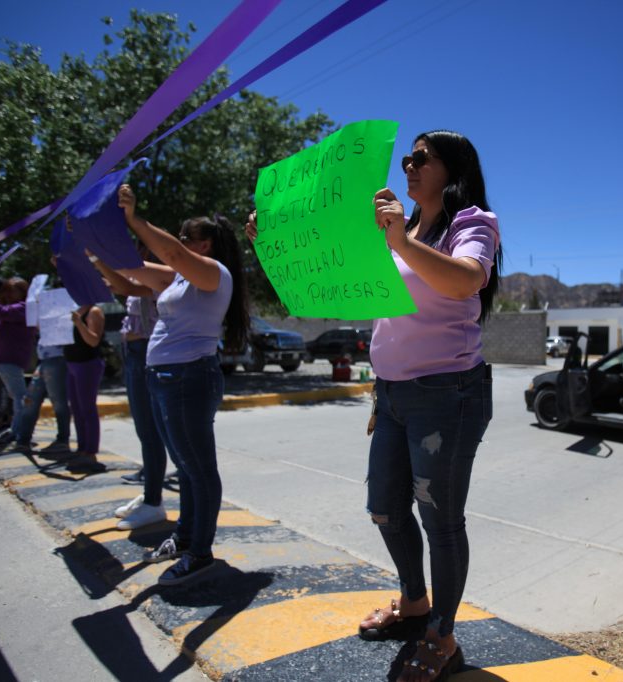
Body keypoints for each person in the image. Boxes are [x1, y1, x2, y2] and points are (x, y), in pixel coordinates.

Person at [247, 130, 500, 682]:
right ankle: (414, 603)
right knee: (385, 508)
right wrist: (275, 238)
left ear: (451, 170)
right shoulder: (398, 230)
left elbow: (465, 282)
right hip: (391, 395)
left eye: (421, 159)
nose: (408, 166)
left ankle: (443, 635)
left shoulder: (470, 223)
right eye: (406, 158)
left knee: (441, 521)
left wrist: (401, 243)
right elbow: (332, 276)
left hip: (447, 395)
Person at [116, 184, 249, 586]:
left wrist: (134, 219)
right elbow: (127, 273)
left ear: (205, 244)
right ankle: (186, 536)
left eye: (187, 235)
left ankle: (200, 552)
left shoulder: (213, 272)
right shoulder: (176, 279)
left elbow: (171, 251)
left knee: (199, 469)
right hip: (164, 377)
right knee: (187, 468)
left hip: (188, 377)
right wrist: (95, 238)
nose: (180, 240)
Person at [89, 251, 175, 530]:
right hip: (135, 353)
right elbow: (116, 284)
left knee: (153, 433)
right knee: (145, 431)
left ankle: (154, 502)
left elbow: (126, 285)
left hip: (148, 353)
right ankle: (151, 494)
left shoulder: (164, 276)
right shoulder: (143, 278)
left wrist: (95, 256)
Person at [0, 277, 36, 446]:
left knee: (19, 397)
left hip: (11, 359)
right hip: (7, 359)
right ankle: (16, 430)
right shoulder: (19, 308)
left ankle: (19, 432)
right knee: (16, 396)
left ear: (23, 292)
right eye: (6, 290)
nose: (8, 294)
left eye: (12, 290)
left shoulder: (23, 308)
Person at [63, 302, 106, 473]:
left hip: (87, 363)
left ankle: (91, 452)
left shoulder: (94, 311)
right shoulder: (71, 308)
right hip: (71, 363)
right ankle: (82, 448)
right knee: (76, 408)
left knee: (87, 408)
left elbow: (93, 341)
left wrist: (78, 323)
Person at [15, 339, 72, 455]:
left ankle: (62, 440)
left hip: (57, 358)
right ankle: (23, 440)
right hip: (44, 359)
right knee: (30, 400)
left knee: (59, 402)